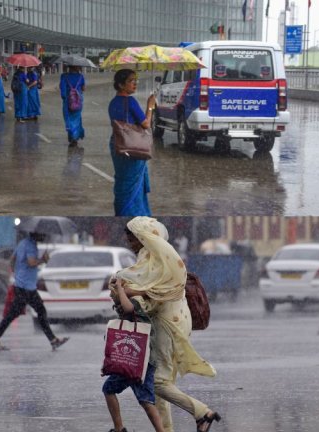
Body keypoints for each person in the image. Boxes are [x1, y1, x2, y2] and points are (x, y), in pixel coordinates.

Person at [118, 217, 221, 432]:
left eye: (133, 239)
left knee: (156, 382)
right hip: (176, 320)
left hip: (166, 324)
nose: (130, 244)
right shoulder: (162, 255)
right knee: (162, 383)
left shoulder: (153, 259)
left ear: (142, 237)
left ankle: (202, 412)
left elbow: (155, 293)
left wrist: (125, 291)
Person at [103, 278, 166, 432]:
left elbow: (129, 309)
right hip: (131, 360)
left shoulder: (135, 302)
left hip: (142, 361)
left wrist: (119, 288)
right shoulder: (122, 304)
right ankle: (119, 428)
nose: (111, 296)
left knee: (146, 400)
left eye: (112, 292)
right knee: (109, 389)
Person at [0, 230, 68, 351]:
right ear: (36, 234)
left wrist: (17, 274)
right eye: (42, 234)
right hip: (27, 288)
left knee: (15, 314)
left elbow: (12, 260)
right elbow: (31, 262)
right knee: (39, 312)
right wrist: (43, 260)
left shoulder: (22, 243)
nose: (44, 236)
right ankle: (53, 340)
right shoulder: (31, 246)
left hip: (22, 286)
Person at [108, 69, 156, 216]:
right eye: (131, 81)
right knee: (133, 185)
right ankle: (134, 214)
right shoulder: (131, 102)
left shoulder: (113, 102)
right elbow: (146, 124)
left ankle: (121, 210)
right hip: (132, 147)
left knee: (122, 180)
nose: (135, 84)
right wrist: (150, 106)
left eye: (136, 80)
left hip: (117, 144)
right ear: (121, 85)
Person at [59, 65, 86, 147]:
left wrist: (65, 96)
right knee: (77, 120)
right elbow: (84, 89)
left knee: (69, 120)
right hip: (78, 101)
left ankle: (72, 138)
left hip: (68, 101)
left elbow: (62, 91)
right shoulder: (81, 77)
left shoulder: (64, 76)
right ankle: (75, 137)